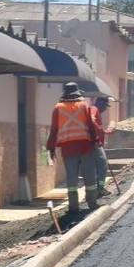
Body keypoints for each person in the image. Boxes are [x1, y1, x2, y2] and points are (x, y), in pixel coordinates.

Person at [46, 82, 102, 213]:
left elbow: (54, 130)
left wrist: (51, 148)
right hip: (85, 146)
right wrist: (96, 140)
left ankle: (73, 207)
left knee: (71, 179)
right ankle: (92, 203)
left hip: (68, 148)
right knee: (89, 177)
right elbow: (91, 125)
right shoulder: (84, 106)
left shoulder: (58, 108)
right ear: (78, 93)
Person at [90, 96, 116, 197]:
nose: (105, 109)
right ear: (101, 104)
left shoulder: (97, 112)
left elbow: (97, 129)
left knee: (100, 165)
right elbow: (93, 125)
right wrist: (97, 137)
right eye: (105, 106)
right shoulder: (94, 110)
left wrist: (106, 132)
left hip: (96, 142)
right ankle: (99, 189)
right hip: (95, 144)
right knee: (102, 164)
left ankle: (98, 188)